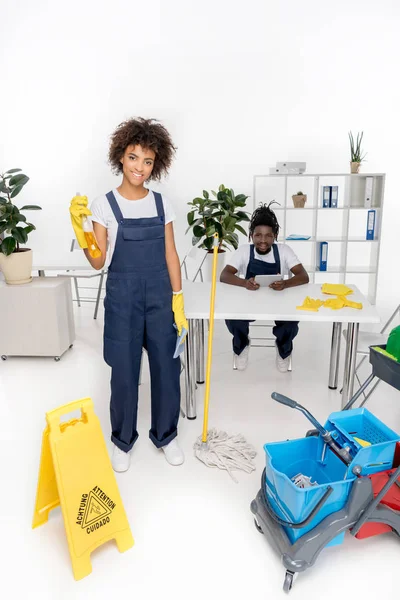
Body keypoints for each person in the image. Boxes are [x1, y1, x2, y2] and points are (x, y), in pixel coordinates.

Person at [69, 117, 188, 473]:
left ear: (157, 163)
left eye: (148, 161)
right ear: (121, 156)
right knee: (123, 371)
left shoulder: (162, 203)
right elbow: (98, 260)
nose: (140, 167)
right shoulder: (103, 204)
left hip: (160, 295)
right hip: (123, 296)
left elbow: (170, 252)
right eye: (134, 157)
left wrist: (177, 299)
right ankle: (122, 440)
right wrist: (82, 230)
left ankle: (166, 435)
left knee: (167, 369)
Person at [220, 202, 309, 372]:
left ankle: (283, 349)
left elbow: (303, 276)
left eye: (268, 236)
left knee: (290, 322)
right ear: (251, 236)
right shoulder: (244, 251)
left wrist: (285, 283)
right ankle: (242, 344)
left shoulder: (284, 250)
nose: (262, 240)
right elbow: (224, 275)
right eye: (258, 235)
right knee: (232, 317)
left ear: (275, 236)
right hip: (249, 303)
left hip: (279, 303)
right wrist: (244, 283)